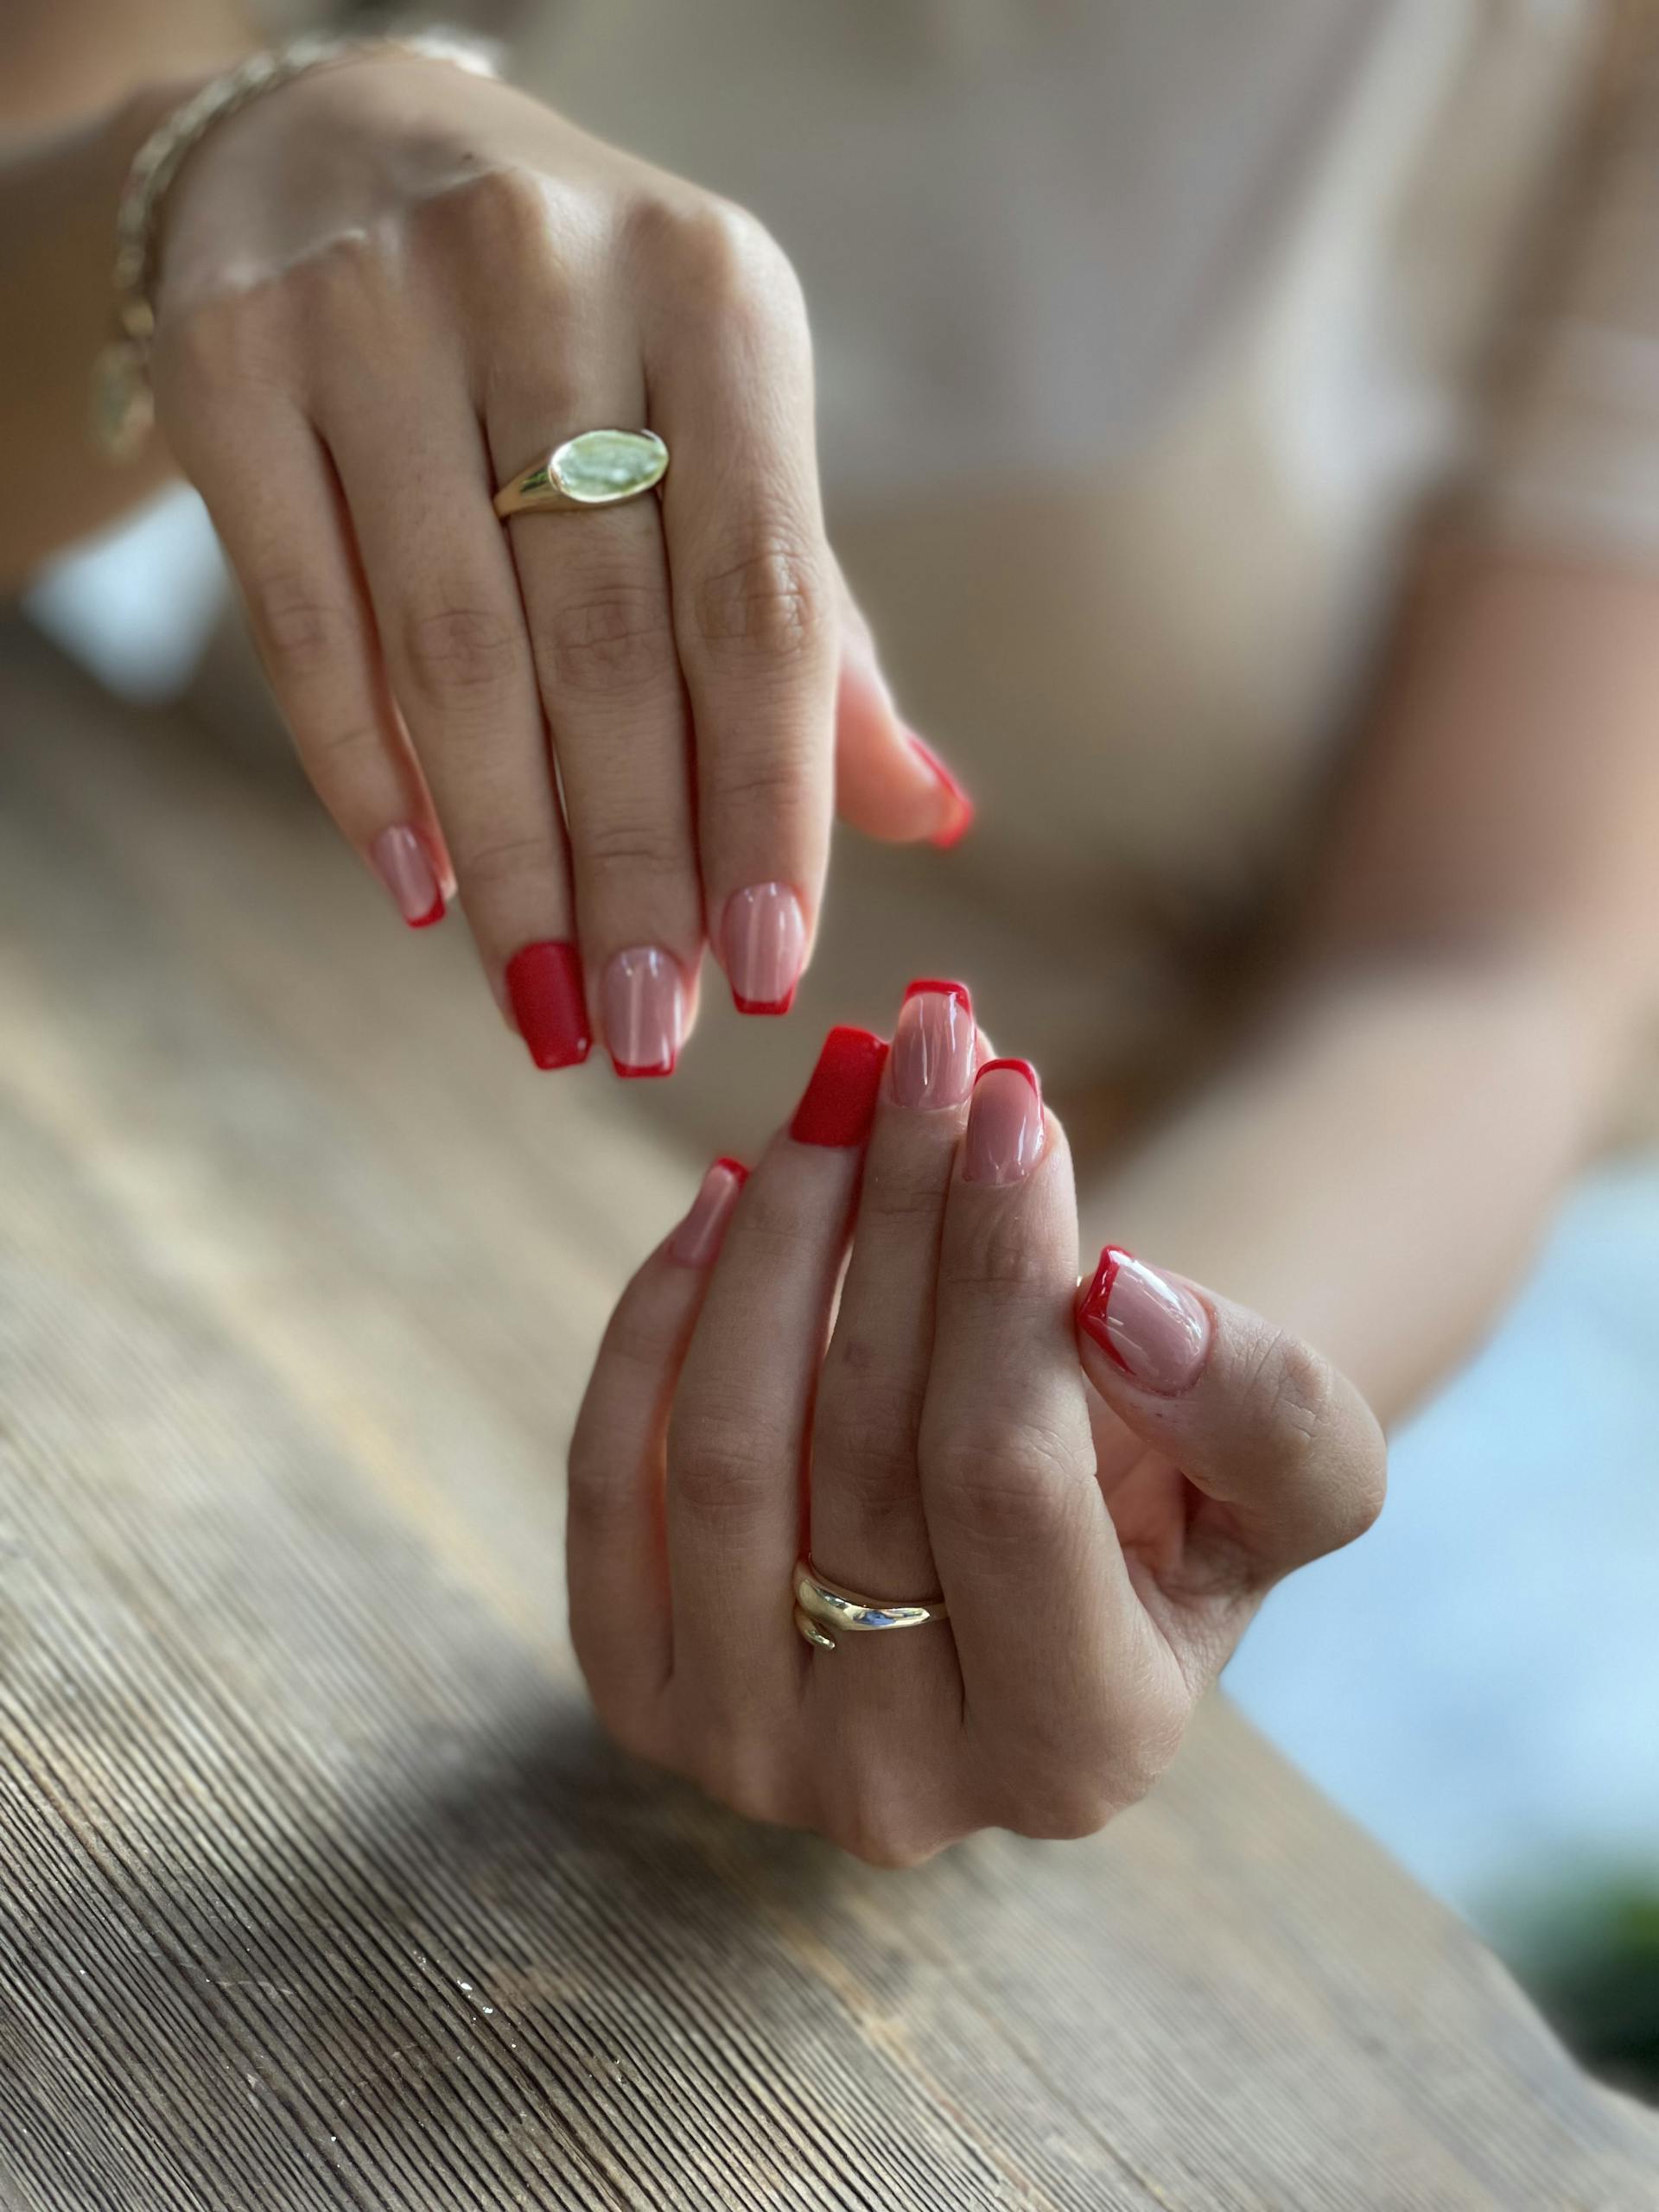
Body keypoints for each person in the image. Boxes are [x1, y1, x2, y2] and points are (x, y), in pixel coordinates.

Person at [3, 2, 1656, 1853]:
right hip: (108, 1020)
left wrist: (1069, 1453)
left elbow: (1485, 969)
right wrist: (206, 175)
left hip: (806, 1408)